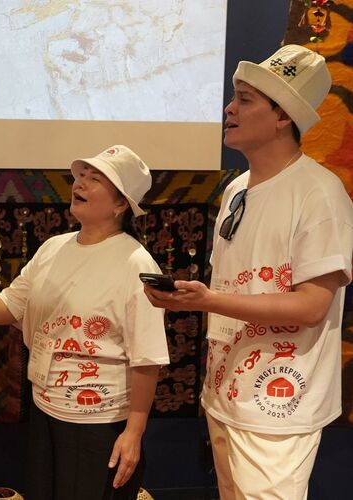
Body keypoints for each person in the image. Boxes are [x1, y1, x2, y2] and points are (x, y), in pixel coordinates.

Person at [144, 44, 353, 500]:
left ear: (283, 116)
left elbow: (312, 306)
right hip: (225, 392)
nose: (229, 108)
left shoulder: (320, 193)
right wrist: (193, 299)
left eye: (245, 99)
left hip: (280, 404)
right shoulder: (237, 189)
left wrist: (208, 300)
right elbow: (234, 285)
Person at [0, 145, 170, 500]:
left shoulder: (135, 263)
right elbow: (11, 305)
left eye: (95, 179)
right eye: (81, 175)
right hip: (46, 409)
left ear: (120, 205)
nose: (80, 183)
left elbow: (147, 358)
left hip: (100, 422)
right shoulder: (54, 247)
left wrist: (133, 432)